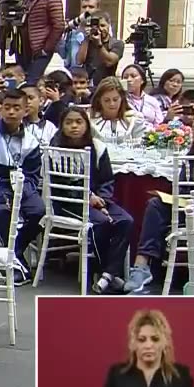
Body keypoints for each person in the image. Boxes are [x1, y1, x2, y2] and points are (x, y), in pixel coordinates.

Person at [125, 109, 194, 293]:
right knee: (155, 205)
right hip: (189, 208)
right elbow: (182, 187)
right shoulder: (192, 156)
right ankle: (142, 265)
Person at [51, 106, 134, 294]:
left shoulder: (97, 146)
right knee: (102, 223)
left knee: (125, 221)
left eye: (79, 122)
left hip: (98, 199)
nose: (74, 126)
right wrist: (88, 198)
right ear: (62, 126)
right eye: (69, 122)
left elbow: (107, 180)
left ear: (87, 125)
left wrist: (101, 200)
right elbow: (58, 183)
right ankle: (104, 272)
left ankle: (108, 274)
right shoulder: (54, 149)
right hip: (67, 202)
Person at [0, 89, 45, 277]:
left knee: (39, 212)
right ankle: (17, 262)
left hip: (20, 181)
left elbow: (33, 173)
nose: (11, 112)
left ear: (25, 111)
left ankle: (13, 252)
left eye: (16, 108)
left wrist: (25, 190)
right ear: (1, 110)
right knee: (2, 210)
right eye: (7, 108)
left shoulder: (31, 141)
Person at [19, 0, 65, 84]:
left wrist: (47, 48)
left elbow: (59, 26)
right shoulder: (24, 1)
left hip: (41, 49)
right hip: (24, 50)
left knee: (31, 82)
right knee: (23, 80)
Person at [89, 76, 147, 144]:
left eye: (115, 99)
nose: (112, 104)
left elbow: (142, 144)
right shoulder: (90, 121)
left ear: (122, 98)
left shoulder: (135, 119)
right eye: (106, 100)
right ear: (99, 100)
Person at [77, 11, 123, 84]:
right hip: (89, 84)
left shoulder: (117, 43)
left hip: (107, 84)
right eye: (97, 26)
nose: (100, 29)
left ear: (109, 25)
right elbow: (79, 61)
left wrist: (99, 44)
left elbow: (109, 62)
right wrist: (86, 39)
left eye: (102, 25)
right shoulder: (88, 42)